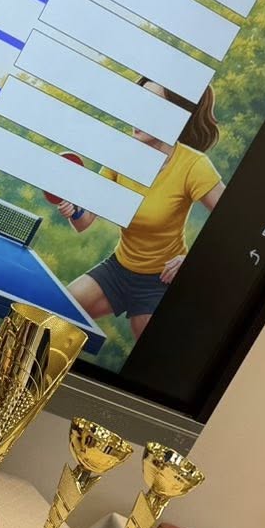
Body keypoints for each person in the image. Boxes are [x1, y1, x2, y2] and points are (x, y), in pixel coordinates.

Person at [62, 82, 225, 338]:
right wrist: (74, 210)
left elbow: (234, 221)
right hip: (118, 269)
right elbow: (84, 222)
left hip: (161, 281)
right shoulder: (120, 154)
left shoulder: (194, 165)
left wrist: (192, 261)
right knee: (56, 312)